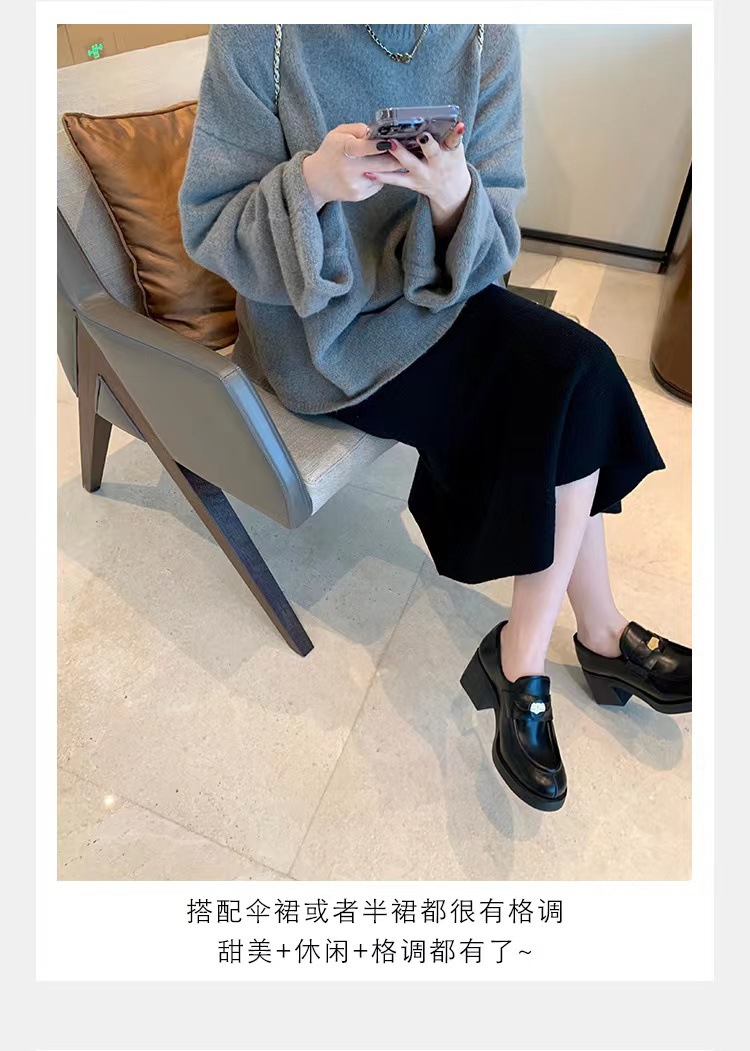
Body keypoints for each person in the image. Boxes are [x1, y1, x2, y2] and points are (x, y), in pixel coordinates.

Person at [178, 24, 691, 813]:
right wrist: (310, 183)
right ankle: (573, 645)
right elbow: (209, 223)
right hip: (321, 340)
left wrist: (454, 198)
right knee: (557, 394)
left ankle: (561, 642)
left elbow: (498, 229)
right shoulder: (263, 33)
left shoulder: (483, 36)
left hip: (437, 302)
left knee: (581, 371)